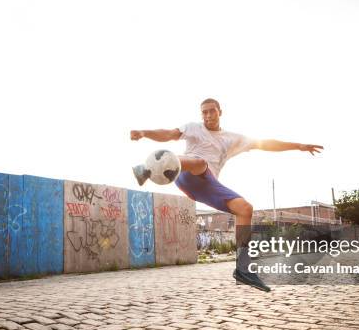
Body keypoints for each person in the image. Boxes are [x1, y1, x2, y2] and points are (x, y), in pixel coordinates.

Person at [130, 98, 323, 292]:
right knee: (200, 163)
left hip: (207, 186)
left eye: (211, 111)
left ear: (220, 112)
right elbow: (170, 134)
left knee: (245, 209)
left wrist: (298, 146)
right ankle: (147, 169)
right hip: (185, 174)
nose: (207, 116)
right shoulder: (193, 128)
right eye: (204, 112)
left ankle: (243, 268)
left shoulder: (233, 138)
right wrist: (145, 133)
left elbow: (265, 144)